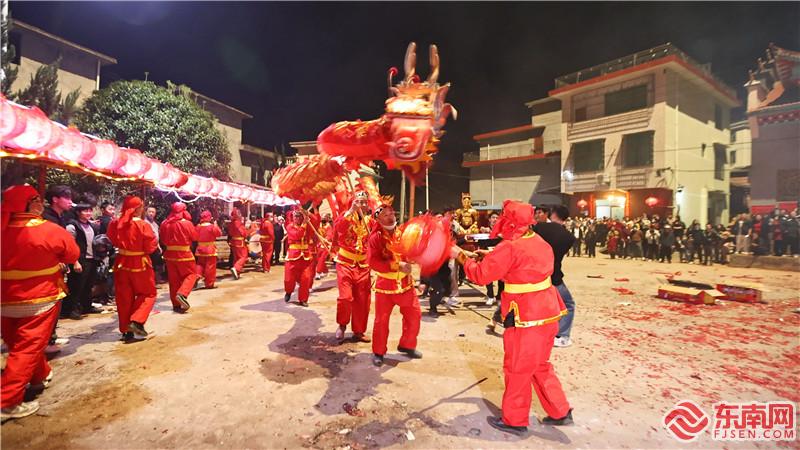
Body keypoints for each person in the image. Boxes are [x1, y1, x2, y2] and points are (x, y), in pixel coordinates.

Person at [451, 200, 572, 435]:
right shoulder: (537, 241)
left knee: (517, 368)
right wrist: (492, 254)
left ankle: (515, 420)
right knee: (540, 365)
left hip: (525, 317)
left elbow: (481, 275)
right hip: (548, 314)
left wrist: (460, 256)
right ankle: (560, 410)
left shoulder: (509, 247)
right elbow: (521, 263)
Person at [1, 185, 80, 420]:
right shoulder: (49, 230)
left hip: (4, 297)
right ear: (31, 203)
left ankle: (39, 375)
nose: (41, 204)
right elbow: (72, 254)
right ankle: (7, 401)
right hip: (39, 297)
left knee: (18, 344)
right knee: (27, 347)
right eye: (38, 200)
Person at [369, 198, 421, 366]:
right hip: (385, 287)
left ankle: (407, 345)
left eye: (391, 213)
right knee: (381, 321)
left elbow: (411, 252)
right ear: (378, 219)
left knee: (414, 315)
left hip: (406, 285)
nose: (390, 216)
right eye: (385, 214)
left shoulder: (403, 233)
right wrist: (397, 265)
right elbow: (373, 263)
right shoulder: (375, 238)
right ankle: (378, 351)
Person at [107, 196, 158, 341]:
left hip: (121, 263)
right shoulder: (143, 225)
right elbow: (150, 246)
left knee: (124, 298)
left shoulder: (115, 223)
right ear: (138, 208)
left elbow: (111, 238)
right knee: (148, 294)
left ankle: (126, 331)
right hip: (140, 263)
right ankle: (136, 321)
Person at [331, 192, 372, 342]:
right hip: (345, 264)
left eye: (364, 202)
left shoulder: (370, 222)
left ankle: (359, 331)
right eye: (358, 202)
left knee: (363, 300)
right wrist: (351, 211)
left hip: (363, 266)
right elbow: (339, 227)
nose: (362, 205)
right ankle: (342, 325)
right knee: (346, 298)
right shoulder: (346, 217)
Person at [533, 205, 576, 348]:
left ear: (552, 214)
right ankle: (562, 336)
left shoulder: (540, 227)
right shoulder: (569, 237)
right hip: (553, 275)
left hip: (533, 273)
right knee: (567, 304)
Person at [62, 195, 102, 320]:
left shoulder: (92, 226)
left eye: (90, 210)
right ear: (78, 212)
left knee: (88, 285)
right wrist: (75, 261)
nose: (89, 213)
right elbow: (70, 244)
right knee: (76, 286)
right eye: (85, 211)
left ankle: (87, 306)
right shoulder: (72, 226)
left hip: (92, 259)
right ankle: (72, 309)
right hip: (80, 260)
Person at [159, 202, 199, 312]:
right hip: (184, 254)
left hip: (169, 255)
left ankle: (176, 305)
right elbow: (195, 237)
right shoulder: (187, 223)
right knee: (191, 275)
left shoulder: (164, 223)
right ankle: (182, 294)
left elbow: (161, 239)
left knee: (174, 280)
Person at [283, 208, 317, 306]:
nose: (297, 218)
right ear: (293, 217)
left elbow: (316, 221)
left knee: (306, 278)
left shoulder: (308, 226)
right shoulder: (289, 227)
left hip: (305, 256)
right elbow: (297, 235)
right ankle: (289, 291)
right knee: (289, 279)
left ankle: (303, 299)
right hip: (293, 256)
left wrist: (308, 213)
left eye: (299, 216)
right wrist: (304, 224)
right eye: (296, 216)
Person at [195, 210, 222, 289]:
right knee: (210, 266)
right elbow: (219, 234)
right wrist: (216, 225)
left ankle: (196, 276)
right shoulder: (212, 226)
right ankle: (209, 283)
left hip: (200, 249)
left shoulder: (198, 227)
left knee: (200, 264)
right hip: (210, 249)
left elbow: (194, 236)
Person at [144, 206, 166, 284]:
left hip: (155, 246)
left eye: (153, 212)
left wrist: (159, 246)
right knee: (151, 264)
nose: (151, 214)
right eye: (149, 212)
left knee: (157, 263)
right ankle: (151, 281)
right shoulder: (144, 223)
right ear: (146, 212)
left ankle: (156, 279)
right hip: (148, 247)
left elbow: (157, 236)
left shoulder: (155, 224)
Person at [227, 208, 248, 280]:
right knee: (243, 256)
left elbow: (230, 233)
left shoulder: (231, 223)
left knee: (236, 258)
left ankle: (237, 272)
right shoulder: (238, 223)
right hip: (240, 242)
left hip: (233, 241)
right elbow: (243, 233)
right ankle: (236, 268)